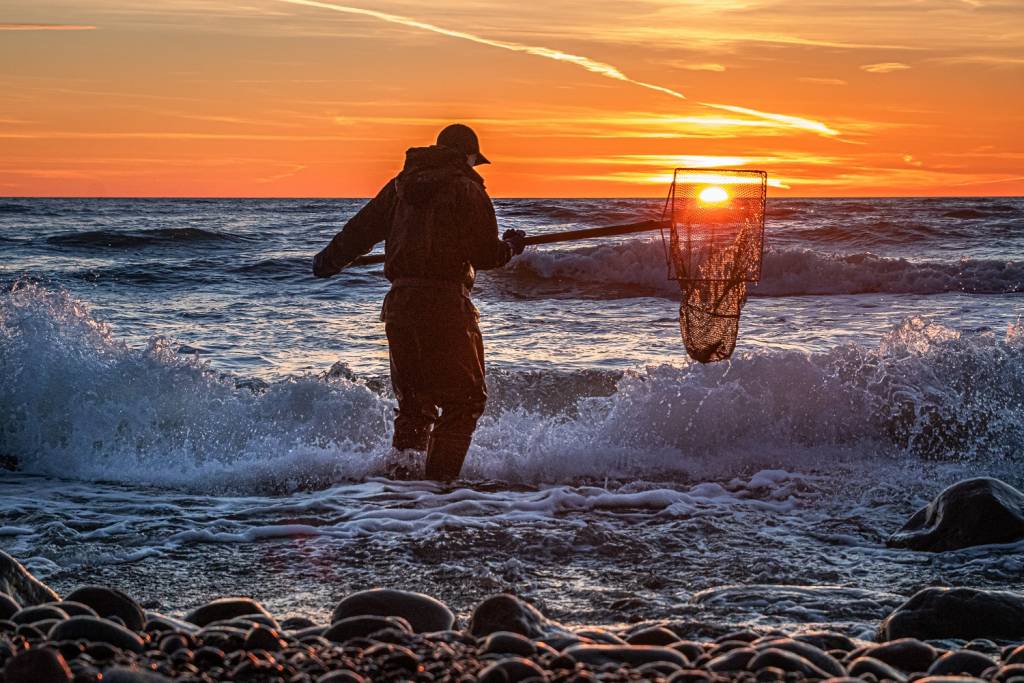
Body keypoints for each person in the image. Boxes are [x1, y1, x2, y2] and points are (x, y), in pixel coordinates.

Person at [312, 124, 526, 481]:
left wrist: (327, 262)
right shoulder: (467, 188)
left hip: (400, 306)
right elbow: (486, 255)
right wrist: (512, 246)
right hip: (446, 306)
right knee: (465, 402)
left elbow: (358, 233)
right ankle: (439, 490)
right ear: (467, 156)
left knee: (415, 407)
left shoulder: (400, 187)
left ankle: (404, 493)